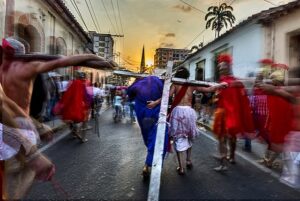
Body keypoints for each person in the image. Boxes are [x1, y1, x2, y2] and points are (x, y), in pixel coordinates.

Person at [168, 67, 227, 175]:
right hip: (190, 113)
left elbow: (166, 96)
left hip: (178, 112)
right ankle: (188, 160)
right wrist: (220, 85)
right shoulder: (191, 84)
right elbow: (209, 89)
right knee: (189, 136)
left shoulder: (175, 84)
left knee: (179, 138)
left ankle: (182, 168)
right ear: (187, 75)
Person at [212, 54, 254, 172]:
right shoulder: (230, 81)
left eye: (222, 67)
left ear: (228, 67)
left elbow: (239, 97)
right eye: (219, 67)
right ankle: (231, 157)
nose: (220, 69)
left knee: (222, 139)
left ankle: (223, 162)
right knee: (231, 137)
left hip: (226, 114)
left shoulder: (230, 82)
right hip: (231, 114)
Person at [127, 76, 167, 178]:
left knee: (149, 138)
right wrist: (156, 103)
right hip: (156, 113)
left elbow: (130, 94)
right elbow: (167, 95)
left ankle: (147, 165)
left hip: (143, 114)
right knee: (157, 138)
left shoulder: (138, 83)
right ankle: (148, 164)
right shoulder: (159, 83)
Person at [56, 71, 91, 142]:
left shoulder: (73, 83)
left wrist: (63, 103)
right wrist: (88, 103)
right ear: (83, 77)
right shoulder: (83, 84)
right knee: (81, 119)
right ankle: (80, 136)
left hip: (71, 104)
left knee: (72, 118)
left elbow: (68, 93)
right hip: (79, 104)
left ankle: (74, 132)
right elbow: (86, 95)